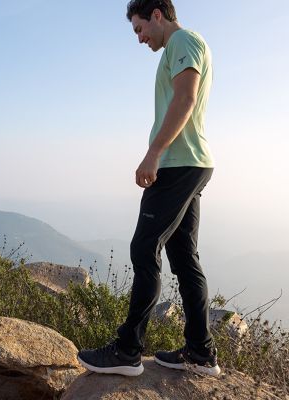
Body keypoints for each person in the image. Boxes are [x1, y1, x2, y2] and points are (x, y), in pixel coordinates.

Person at [78, 0, 221, 377]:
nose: (139, 38)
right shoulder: (180, 47)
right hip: (193, 162)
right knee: (184, 258)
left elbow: (186, 98)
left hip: (178, 164)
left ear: (157, 14)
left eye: (139, 29)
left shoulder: (183, 42)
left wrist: (153, 153)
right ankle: (201, 353)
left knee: (144, 249)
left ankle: (127, 351)